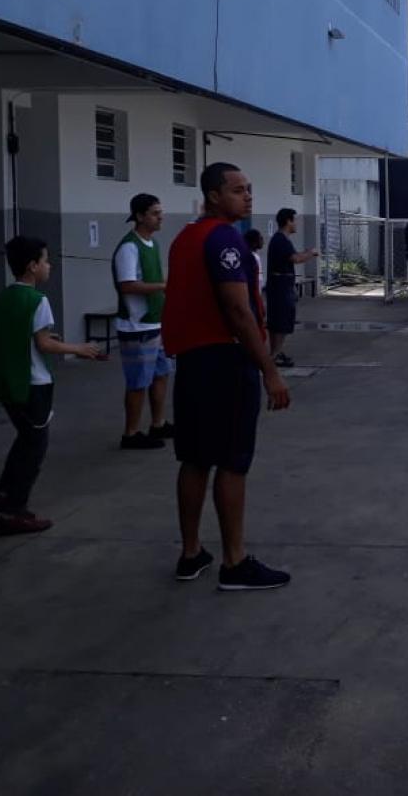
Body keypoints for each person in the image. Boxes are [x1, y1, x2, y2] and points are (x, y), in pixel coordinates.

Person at [163, 163, 292, 591]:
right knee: (233, 462)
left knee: (195, 458)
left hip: (193, 363)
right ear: (214, 196)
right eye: (238, 190)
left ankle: (190, 552)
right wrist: (269, 370)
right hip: (225, 361)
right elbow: (238, 310)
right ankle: (235, 563)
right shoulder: (224, 240)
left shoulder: (185, 238)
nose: (248, 197)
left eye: (249, 189)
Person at [0, 236, 104, 535]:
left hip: (9, 384)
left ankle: (5, 496)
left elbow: (15, 337)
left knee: (24, 442)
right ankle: (15, 511)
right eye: (46, 260)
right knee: (34, 449)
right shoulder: (38, 301)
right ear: (32, 266)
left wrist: (53, 339)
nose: (49, 266)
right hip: (33, 386)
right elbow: (41, 344)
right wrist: (80, 349)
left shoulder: (3, 298)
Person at [112, 193, 173, 450]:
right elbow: (127, 285)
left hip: (156, 324)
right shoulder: (129, 247)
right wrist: (163, 286)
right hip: (136, 327)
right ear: (139, 216)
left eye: (160, 212)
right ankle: (131, 432)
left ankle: (158, 423)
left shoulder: (152, 243)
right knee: (138, 382)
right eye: (155, 213)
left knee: (161, 374)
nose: (160, 217)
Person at [265, 208, 318, 369]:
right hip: (280, 287)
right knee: (281, 322)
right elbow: (296, 258)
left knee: (277, 321)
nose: (296, 224)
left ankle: (275, 353)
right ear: (288, 221)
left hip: (280, 285)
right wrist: (311, 253)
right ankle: (274, 355)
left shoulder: (280, 240)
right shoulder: (281, 240)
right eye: (294, 220)